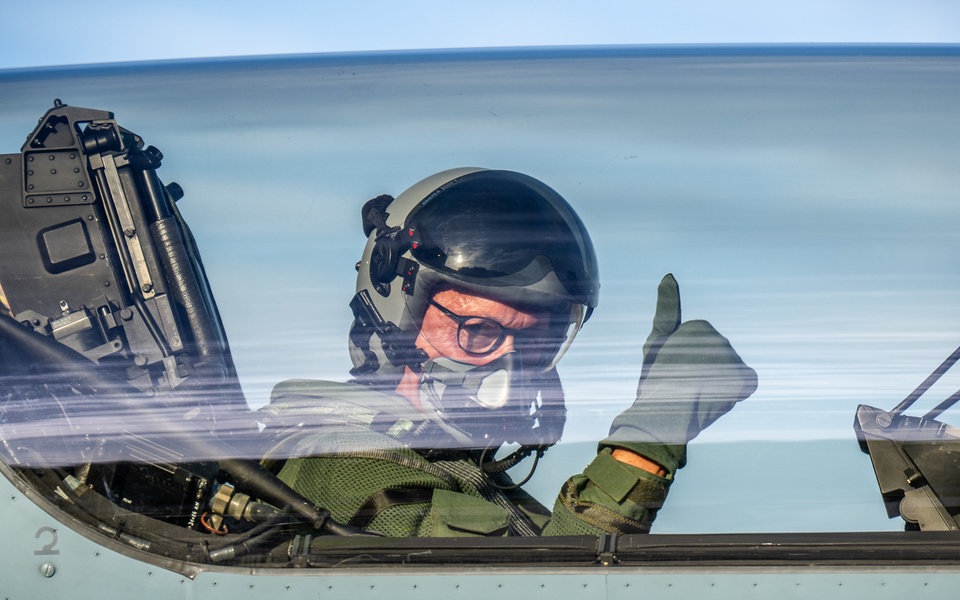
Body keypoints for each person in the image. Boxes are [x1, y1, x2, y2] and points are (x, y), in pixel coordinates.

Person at [259, 168, 757, 536]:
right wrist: (645, 444)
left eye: (536, 342)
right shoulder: (345, 471)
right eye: (477, 331)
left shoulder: (458, 476)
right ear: (396, 316)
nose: (513, 369)